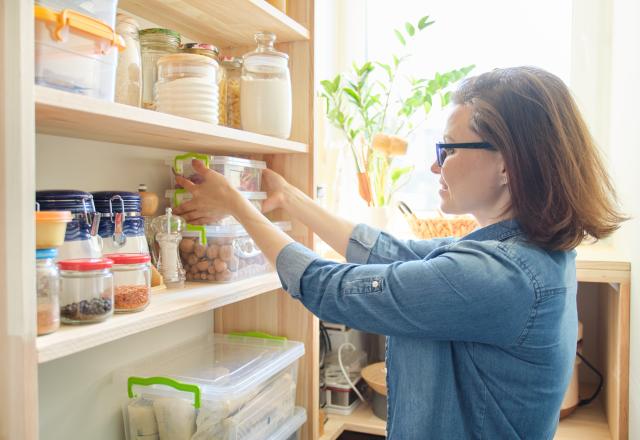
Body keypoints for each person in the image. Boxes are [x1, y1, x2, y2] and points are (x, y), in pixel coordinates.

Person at [173, 66, 625, 439]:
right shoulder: (517, 251)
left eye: (446, 149)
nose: (434, 165)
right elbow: (393, 252)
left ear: (507, 163)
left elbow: (331, 289)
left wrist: (237, 206)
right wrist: (291, 200)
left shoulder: (499, 275)